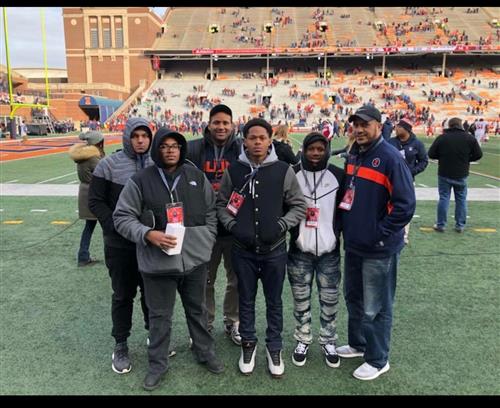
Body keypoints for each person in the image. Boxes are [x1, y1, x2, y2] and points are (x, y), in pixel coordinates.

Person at [113, 128, 224, 391]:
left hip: (194, 261)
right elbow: (121, 217)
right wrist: (147, 234)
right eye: (164, 146)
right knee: (160, 316)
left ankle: (204, 352)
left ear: (182, 148)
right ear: (156, 150)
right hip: (157, 263)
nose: (170, 150)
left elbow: (211, 211)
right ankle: (157, 365)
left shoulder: (195, 175)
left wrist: (206, 240)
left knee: (198, 311)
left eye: (175, 145)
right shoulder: (141, 180)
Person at [216, 118, 307, 378]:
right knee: (245, 300)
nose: (257, 142)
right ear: (244, 140)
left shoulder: (283, 169)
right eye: (252, 137)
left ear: (270, 140)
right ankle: (248, 343)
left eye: (262, 137)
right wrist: (233, 226)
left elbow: (298, 206)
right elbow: (222, 204)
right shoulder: (234, 170)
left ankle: (274, 347)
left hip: (274, 250)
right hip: (242, 250)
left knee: (274, 301)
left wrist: (281, 225)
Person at [338, 105, 416, 381]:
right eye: (355, 124)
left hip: (378, 248)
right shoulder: (355, 155)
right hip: (355, 244)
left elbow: (405, 205)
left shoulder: (390, 157)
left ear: (379, 125)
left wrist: (379, 233)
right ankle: (359, 344)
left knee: (377, 306)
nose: (358, 129)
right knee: (354, 298)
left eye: (364, 124)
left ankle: (378, 358)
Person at [88, 117, 162, 375]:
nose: (141, 141)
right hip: (120, 246)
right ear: (127, 137)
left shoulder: (158, 163)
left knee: (151, 294)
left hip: (150, 243)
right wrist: (115, 226)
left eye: (145, 136)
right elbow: (95, 202)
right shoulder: (108, 165)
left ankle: (153, 337)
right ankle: (121, 344)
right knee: (122, 295)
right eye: (135, 136)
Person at [287, 132, 345, 368]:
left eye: (320, 149)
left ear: (327, 151)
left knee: (329, 299)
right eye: (311, 149)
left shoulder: (339, 175)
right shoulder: (292, 175)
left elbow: (345, 210)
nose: (315, 153)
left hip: (330, 251)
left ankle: (328, 339)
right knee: (300, 300)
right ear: (304, 150)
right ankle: (303, 338)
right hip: (300, 250)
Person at [186, 104, 242, 345]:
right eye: (216, 122)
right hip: (203, 227)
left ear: (232, 125)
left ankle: (233, 321)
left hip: (233, 226)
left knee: (236, 279)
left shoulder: (242, 149)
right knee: (204, 280)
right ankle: (204, 324)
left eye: (225, 123)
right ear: (209, 124)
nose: (221, 127)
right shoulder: (194, 148)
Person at [428, 117, 482, 233]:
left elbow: (431, 154)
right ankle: (460, 225)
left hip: (444, 172)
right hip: (461, 173)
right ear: (461, 125)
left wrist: (442, 157)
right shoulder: (469, 138)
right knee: (461, 199)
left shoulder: (442, 138)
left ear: (450, 125)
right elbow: (478, 154)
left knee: (444, 198)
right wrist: (467, 159)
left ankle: (441, 224)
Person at [388, 118, 428, 244]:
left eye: (399, 127)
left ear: (406, 129)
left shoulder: (417, 144)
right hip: (389, 180)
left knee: (404, 207)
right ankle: (388, 231)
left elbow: (424, 161)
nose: (396, 128)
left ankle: (404, 235)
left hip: (407, 181)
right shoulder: (391, 142)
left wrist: (411, 172)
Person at [69, 130, 105, 267]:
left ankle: (83, 256)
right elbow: (103, 175)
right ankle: (112, 256)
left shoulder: (83, 156)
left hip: (85, 193)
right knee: (107, 227)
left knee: (89, 227)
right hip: (94, 194)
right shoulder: (93, 158)